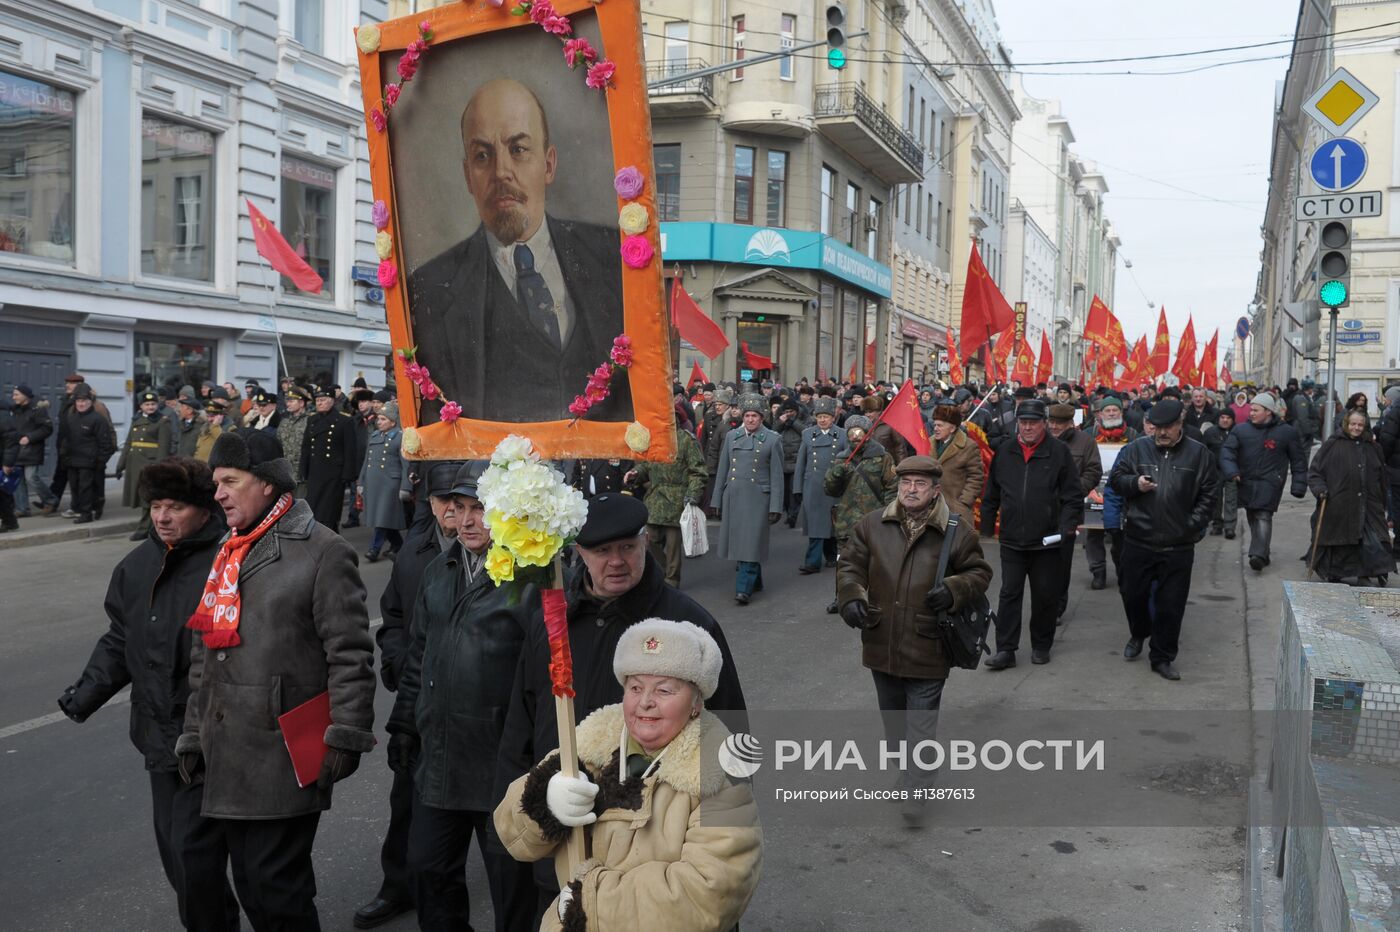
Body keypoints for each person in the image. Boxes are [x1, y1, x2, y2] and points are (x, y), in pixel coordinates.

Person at [496, 492, 746, 923]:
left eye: (628, 547)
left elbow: (730, 736)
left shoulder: (688, 624)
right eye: (602, 550)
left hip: (653, 862)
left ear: (645, 543)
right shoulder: (552, 621)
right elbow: (523, 722)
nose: (617, 561)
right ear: (579, 553)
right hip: (563, 847)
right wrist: (534, 800)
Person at [176, 428, 376, 927]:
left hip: (283, 752)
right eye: (215, 482)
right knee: (249, 881)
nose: (217, 493)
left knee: (276, 889)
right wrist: (192, 734)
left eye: (229, 481)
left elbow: (349, 653)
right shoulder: (230, 547)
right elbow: (206, 649)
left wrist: (345, 735)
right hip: (227, 747)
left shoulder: (321, 550)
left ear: (267, 484)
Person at [57, 458, 240, 930]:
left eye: (174, 506)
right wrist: (86, 693)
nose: (161, 517)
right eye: (156, 505)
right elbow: (122, 636)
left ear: (201, 508)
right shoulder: (137, 564)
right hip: (159, 738)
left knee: (195, 855)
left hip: (212, 736)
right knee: (179, 860)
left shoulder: (229, 562)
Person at [494, 619, 761, 931]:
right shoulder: (589, 746)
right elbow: (513, 835)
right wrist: (544, 800)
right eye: (635, 687)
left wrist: (591, 904)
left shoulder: (720, 776)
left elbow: (711, 892)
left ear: (696, 704)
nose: (645, 702)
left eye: (664, 690)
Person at [408, 78, 627, 424]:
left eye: (519, 149)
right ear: (468, 176)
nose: (501, 173)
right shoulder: (429, 291)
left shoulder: (615, 257)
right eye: (483, 156)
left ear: (549, 164)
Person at [386, 461, 537, 932]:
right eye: (459, 508)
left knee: (512, 888)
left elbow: (549, 679)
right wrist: (405, 725)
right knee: (429, 870)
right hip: (440, 758)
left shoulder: (530, 579)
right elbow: (419, 657)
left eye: (481, 509)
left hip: (502, 764)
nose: (467, 520)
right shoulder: (440, 568)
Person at [835, 456, 993, 825]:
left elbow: (979, 573)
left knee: (920, 722)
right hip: (882, 639)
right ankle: (906, 773)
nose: (911, 489)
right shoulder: (872, 525)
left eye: (920, 483)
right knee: (894, 723)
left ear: (936, 489)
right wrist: (852, 597)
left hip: (928, 642)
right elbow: (850, 565)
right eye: (906, 482)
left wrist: (954, 589)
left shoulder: (956, 530)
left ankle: (918, 790)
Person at [354, 461, 463, 930]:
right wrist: (397, 660)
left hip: (476, 706)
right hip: (420, 702)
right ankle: (399, 886)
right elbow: (393, 617)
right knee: (408, 803)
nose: (455, 516)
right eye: (445, 504)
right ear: (432, 505)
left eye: (464, 505)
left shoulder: (505, 553)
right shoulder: (414, 553)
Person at [1109, 399, 1221, 680]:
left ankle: (1162, 656)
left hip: (1178, 545)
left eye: (1168, 427)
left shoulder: (1199, 455)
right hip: (1138, 539)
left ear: (1180, 424)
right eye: (1157, 427)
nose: (1162, 433)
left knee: (1171, 605)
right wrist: (1135, 484)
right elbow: (1116, 480)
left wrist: (1191, 526)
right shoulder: (1136, 449)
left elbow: (1210, 495)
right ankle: (1139, 632)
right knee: (1133, 595)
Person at [979, 399, 1081, 668]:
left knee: (1045, 596)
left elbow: (1072, 494)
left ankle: (1041, 645)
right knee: (1009, 594)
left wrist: (1067, 526)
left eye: (1033, 422)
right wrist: (987, 526)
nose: (1027, 427)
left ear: (1043, 424)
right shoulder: (1006, 450)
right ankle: (1006, 650)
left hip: (1046, 541)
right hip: (1012, 540)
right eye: (1023, 422)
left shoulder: (1058, 452)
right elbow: (992, 491)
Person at [710, 393, 786, 605]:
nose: (750, 419)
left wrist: (776, 506)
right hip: (734, 496)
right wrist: (716, 500)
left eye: (755, 416)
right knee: (743, 544)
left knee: (751, 543)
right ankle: (756, 580)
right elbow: (722, 469)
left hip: (758, 499)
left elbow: (777, 476)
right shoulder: (732, 437)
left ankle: (743, 589)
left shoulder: (773, 439)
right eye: (747, 416)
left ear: (762, 418)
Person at [1220, 392, 1307, 571]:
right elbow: (1227, 452)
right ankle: (1263, 552)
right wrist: (1232, 471)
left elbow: (1298, 460)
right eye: (1251, 410)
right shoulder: (1241, 430)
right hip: (1246, 480)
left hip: (1271, 481)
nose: (1251, 413)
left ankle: (1257, 555)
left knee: (1263, 514)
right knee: (1253, 515)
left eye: (1255, 410)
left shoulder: (1286, 432)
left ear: (1268, 411)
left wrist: (1299, 484)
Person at [1306, 410, 1395, 585]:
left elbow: (1382, 477)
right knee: (1340, 539)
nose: (1356, 428)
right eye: (1353, 424)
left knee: (1371, 539)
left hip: (1369, 503)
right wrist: (1320, 489)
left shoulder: (1373, 447)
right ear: (1346, 424)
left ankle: (1365, 574)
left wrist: (1383, 502)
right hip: (1339, 501)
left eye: (1360, 425)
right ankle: (1335, 572)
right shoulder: (1332, 445)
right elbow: (1315, 472)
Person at [624, 418, 707, 589]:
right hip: (655, 499)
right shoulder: (654, 439)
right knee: (649, 540)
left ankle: (671, 581)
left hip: (677, 500)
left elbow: (698, 471)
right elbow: (646, 466)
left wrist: (693, 494)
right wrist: (635, 473)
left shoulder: (685, 440)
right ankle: (661, 572)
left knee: (673, 548)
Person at [1047, 402, 1102, 608]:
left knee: (1061, 561)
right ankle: (1045, 603)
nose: (1053, 427)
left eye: (1059, 423)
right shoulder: (1040, 439)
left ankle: (1058, 606)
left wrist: (1074, 490)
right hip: (1041, 510)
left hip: (1068, 511)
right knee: (1042, 562)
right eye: (1051, 421)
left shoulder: (1085, 442)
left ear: (1071, 423)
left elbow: (1093, 472)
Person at [1085, 397, 1137, 586]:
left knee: (1121, 535)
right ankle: (1098, 571)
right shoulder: (1089, 434)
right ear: (1100, 414)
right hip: (1095, 493)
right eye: (1108, 410)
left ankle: (1123, 570)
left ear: (1121, 413)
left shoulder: (1132, 435)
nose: (1112, 413)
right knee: (1094, 535)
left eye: (1116, 410)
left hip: (1123, 494)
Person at [795, 396, 848, 573]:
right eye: (819, 417)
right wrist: (797, 488)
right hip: (813, 486)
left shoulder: (842, 435)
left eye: (826, 416)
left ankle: (832, 555)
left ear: (833, 417)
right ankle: (812, 562)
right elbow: (801, 463)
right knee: (816, 526)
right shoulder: (807, 434)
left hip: (834, 487)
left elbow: (848, 461)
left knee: (832, 525)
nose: (823, 420)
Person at [118, 390, 175, 540]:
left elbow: (164, 447)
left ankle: (145, 528)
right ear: (141, 406)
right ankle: (149, 527)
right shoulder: (136, 420)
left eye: (153, 404)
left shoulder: (162, 421)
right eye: (147, 404)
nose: (150, 407)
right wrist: (120, 465)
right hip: (135, 465)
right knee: (140, 498)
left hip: (150, 465)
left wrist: (159, 469)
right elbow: (129, 443)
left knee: (148, 498)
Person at [301, 385, 359, 531]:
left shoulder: (344, 421)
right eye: (317, 400)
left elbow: (350, 450)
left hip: (334, 474)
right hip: (315, 472)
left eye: (323, 400)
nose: (319, 403)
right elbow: (306, 447)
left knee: (329, 512)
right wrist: (303, 470)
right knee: (313, 508)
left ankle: (331, 538)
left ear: (332, 401)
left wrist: (348, 475)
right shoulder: (312, 420)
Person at [58, 383, 117, 524]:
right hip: (72, 460)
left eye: (84, 401)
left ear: (91, 402)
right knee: (75, 487)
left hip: (89, 461)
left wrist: (100, 460)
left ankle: (87, 513)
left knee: (86, 488)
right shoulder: (71, 417)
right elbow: (66, 438)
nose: (81, 404)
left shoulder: (98, 419)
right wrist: (64, 455)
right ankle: (80, 510)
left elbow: (105, 442)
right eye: (78, 401)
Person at [358, 401, 407, 562]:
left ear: (393, 422)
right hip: (374, 483)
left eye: (383, 419)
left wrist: (406, 487)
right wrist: (361, 482)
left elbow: (406, 464)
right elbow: (366, 461)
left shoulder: (400, 437)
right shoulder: (374, 436)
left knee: (382, 516)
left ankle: (374, 548)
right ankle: (398, 544)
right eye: (378, 419)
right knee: (383, 517)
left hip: (390, 484)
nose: (379, 422)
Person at [930, 404, 983, 527]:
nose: (935, 429)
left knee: (956, 544)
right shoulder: (928, 443)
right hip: (930, 508)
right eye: (935, 425)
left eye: (940, 425)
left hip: (955, 509)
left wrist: (964, 502)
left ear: (952, 428)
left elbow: (976, 477)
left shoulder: (968, 446)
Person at [10, 384, 55, 516]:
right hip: (16, 450)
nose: (14, 397)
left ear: (25, 395)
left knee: (31, 478)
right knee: (17, 479)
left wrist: (29, 437)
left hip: (31, 450)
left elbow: (47, 428)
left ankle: (50, 500)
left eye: (16, 394)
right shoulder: (16, 409)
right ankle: (22, 509)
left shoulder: (38, 409)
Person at [276, 386, 312, 498]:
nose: (288, 403)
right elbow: (278, 445)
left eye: (291, 401)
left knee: (301, 508)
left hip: (302, 475)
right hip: (286, 474)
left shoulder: (310, 421)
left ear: (301, 403)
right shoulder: (284, 422)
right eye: (287, 400)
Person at [775, 398, 806, 526]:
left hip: (796, 460)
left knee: (794, 490)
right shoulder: (780, 420)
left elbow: (805, 431)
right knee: (785, 492)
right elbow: (773, 431)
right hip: (783, 461)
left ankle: (794, 515)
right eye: (786, 411)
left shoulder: (803, 419)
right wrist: (781, 422)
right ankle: (788, 512)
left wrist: (793, 422)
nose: (788, 414)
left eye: (791, 411)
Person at [1377, 386, 1400, 554]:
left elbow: (1387, 439)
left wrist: (1384, 458)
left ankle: (1398, 545)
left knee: (1396, 506)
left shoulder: (1394, 412)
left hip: (1395, 468)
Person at [1288, 378, 1320, 452]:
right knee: (1303, 452)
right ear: (1309, 388)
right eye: (1312, 388)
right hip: (1302, 431)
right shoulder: (1301, 399)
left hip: (1302, 429)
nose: (1313, 390)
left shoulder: (1304, 397)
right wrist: (1308, 431)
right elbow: (1303, 417)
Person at [194, 398, 229, 463]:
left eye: (212, 416)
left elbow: (224, 444)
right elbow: (198, 449)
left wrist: (215, 426)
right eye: (208, 416)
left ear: (220, 415)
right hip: (200, 467)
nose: (209, 419)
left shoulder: (229, 427)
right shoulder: (205, 428)